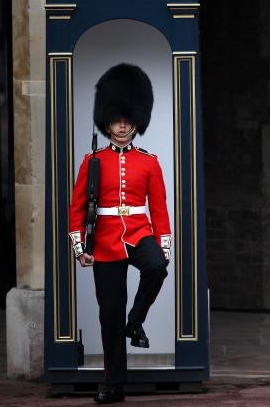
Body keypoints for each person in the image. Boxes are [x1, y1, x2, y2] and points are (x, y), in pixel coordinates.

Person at [68, 63, 172, 404]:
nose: (123, 125)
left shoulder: (149, 161)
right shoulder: (92, 161)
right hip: (105, 241)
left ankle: (136, 321)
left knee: (156, 267)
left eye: (127, 119)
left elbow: (158, 208)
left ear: (135, 120)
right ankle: (114, 384)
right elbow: (77, 207)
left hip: (139, 233)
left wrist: (164, 244)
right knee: (109, 313)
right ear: (107, 121)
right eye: (116, 119)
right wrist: (79, 246)